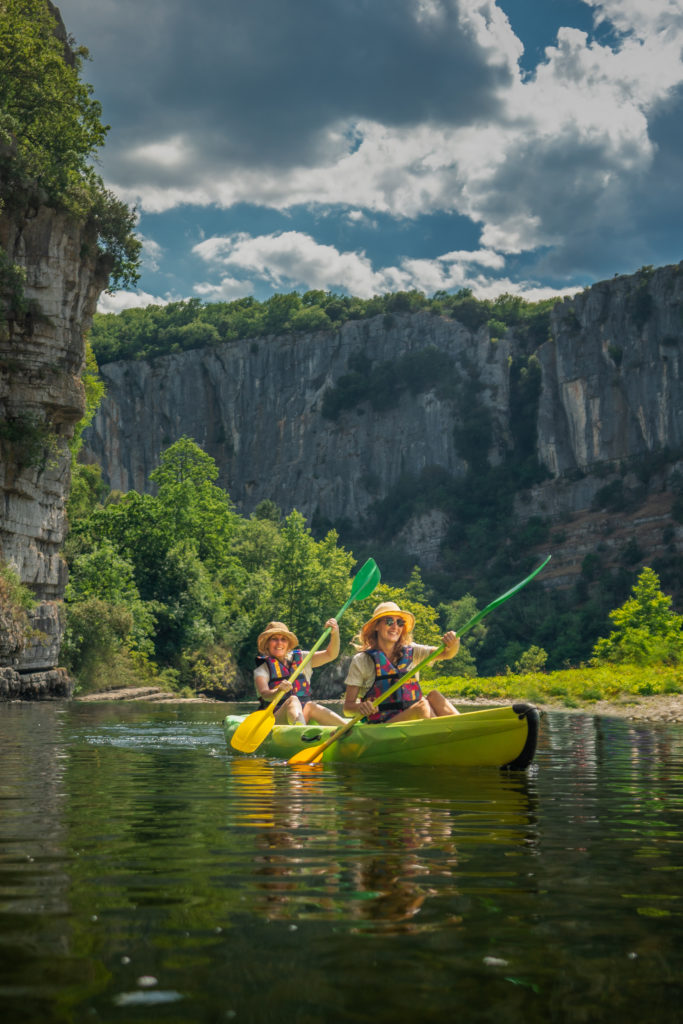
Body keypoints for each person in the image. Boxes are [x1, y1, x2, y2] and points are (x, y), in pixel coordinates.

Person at [343, 601, 460, 723]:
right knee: (422, 706)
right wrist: (361, 707)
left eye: (399, 623)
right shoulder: (362, 660)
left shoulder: (412, 651)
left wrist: (454, 643)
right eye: (389, 621)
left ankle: (463, 727)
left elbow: (447, 654)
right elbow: (347, 709)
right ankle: (446, 733)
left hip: (411, 719)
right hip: (382, 726)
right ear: (376, 626)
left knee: (434, 696)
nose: (395, 627)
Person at [254, 619, 346, 726]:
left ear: (288, 644)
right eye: (274, 639)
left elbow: (331, 654)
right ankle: (300, 730)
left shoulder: (302, 658)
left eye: (283, 639)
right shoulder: (262, 668)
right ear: (267, 644)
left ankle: (346, 729)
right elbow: (265, 694)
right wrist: (278, 691)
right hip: (274, 719)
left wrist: (335, 633)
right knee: (292, 700)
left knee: (310, 705)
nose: (279, 643)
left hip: (302, 714)